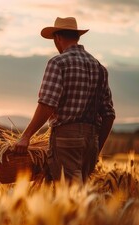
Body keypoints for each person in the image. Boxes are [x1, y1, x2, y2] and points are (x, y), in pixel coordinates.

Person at [12, 17, 115, 185]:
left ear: (57, 38)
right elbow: (109, 115)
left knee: (69, 196)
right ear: (77, 37)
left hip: (66, 138)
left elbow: (47, 104)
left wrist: (26, 136)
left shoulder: (58, 63)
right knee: (78, 194)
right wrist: (96, 148)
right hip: (92, 141)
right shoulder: (99, 67)